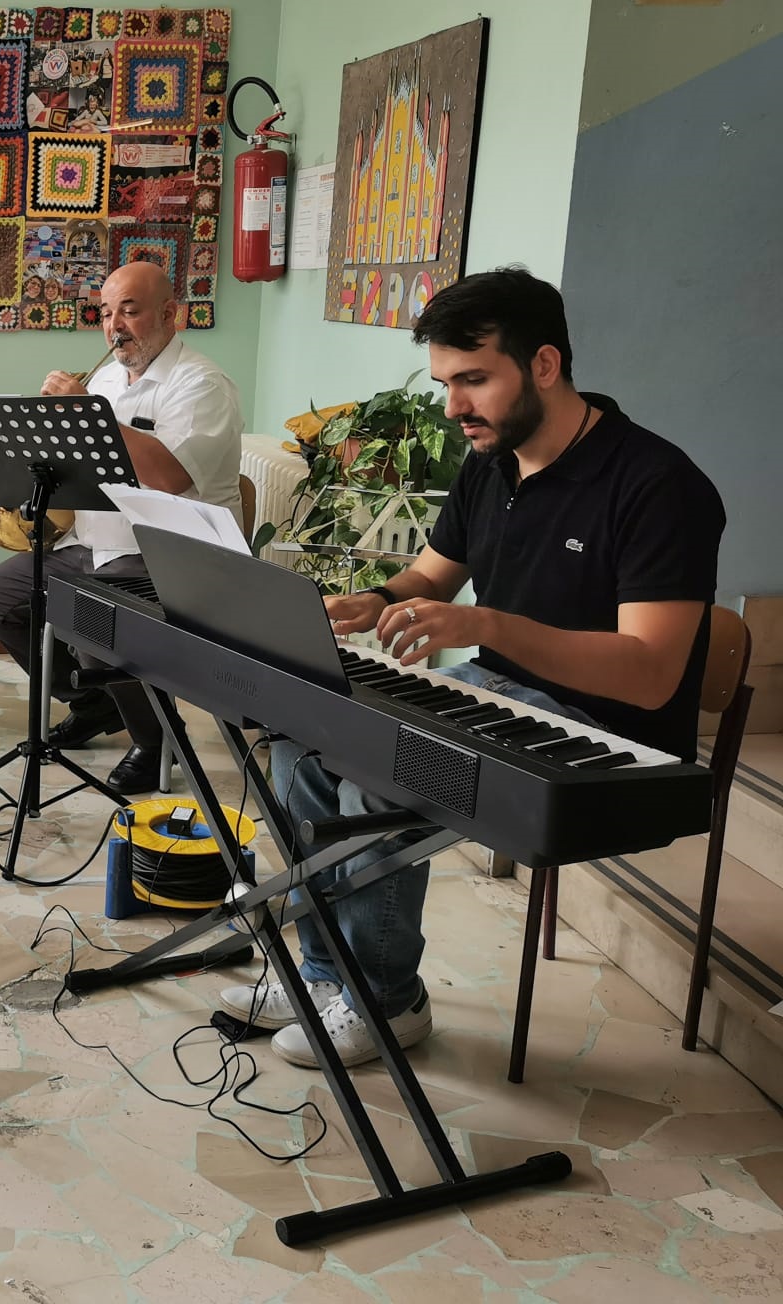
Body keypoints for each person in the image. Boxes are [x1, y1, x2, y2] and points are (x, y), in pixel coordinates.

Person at [220, 266, 725, 1068]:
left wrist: (488, 623)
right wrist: (370, 599)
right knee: (299, 739)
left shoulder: (657, 485)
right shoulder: (492, 463)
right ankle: (325, 974)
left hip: (606, 739)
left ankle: (387, 1002)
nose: (454, 406)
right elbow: (429, 576)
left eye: (473, 380)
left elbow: (649, 676)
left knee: (378, 769)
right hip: (500, 699)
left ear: (546, 365)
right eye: (446, 382)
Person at [0, 261, 243, 793]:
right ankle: (94, 703)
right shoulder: (107, 378)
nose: (114, 324)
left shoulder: (203, 385)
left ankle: (156, 739)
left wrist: (88, 412)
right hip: (92, 543)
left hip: (173, 553)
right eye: (106, 312)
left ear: (170, 314)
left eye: (130, 310)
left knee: (90, 612)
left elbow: (168, 475)